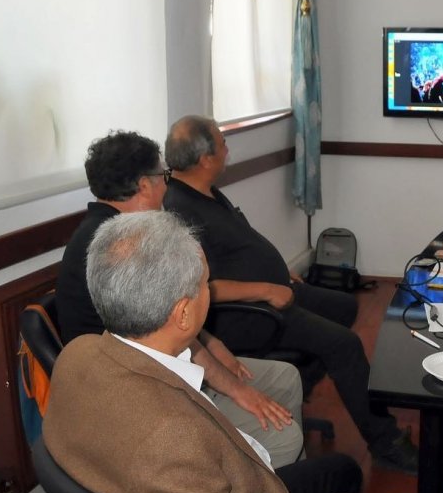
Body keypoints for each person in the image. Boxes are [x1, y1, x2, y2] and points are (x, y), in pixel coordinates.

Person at [43, 211, 436, 493]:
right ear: (183, 314)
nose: (210, 292)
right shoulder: (170, 438)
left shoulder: (77, 353)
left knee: (343, 471)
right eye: (204, 284)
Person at [162, 115, 418, 473]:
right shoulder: (180, 209)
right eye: (222, 143)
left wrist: (280, 275)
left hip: (271, 291)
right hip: (243, 313)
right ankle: (385, 441)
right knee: (343, 345)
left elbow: (239, 248)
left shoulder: (206, 190)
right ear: (205, 159)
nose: (227, 149)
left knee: (344, 306)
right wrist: (267, 289)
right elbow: (201, 288)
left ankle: (297, 386)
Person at [56, 131, 306, 469]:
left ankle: (290, 485)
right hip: (139, 393)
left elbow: (170, 322)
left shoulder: (110, 230)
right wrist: (237, 390)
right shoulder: (129, 248)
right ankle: (263, 490)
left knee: (285, 378)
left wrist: (213, 344)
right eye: (164, 175)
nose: (167, 185)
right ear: (144, 185)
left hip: (158, 365)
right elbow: (170, 331)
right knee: (285, 435)